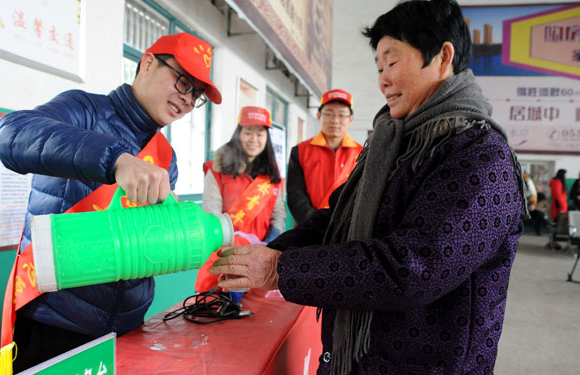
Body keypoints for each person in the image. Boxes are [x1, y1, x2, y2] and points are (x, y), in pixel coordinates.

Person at [210, 1, 526, 374]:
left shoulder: (480, 157)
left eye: (392, 63)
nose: (383, 80)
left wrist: (283, 268)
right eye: (378, 68)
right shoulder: (392, 146)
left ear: (443, 56)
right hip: (352, 360)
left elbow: (412, 268)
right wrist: (265, 255)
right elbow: (335, 221)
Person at [0, 32, 222, 372]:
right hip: (55, 324)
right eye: (183, 82)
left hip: (126, 329)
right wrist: (116, 160)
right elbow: (10, 134)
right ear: (147, 62)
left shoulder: (166, 157)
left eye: (197, 95)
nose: (188, 100)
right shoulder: (84, 110)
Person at [195, 106, 285, 297]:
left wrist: (270, 248)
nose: (254, 139)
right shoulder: (217, 170)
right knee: (216, 311)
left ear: (267, 138)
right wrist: (236, 248)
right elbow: (212, 216)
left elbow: (278, 214)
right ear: (239, 134)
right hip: (224, 254)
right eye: (248, 132)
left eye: (260, 134)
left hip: (260, 261)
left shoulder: (272, 174)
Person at [287, 89, 362, 225]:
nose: (335, 120)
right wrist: (315, 225)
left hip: (346, 230)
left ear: (350, 119)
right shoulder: (299, 151)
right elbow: (295, 195)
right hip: (307, 230)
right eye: (328, 114)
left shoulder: (362, 153)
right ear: (318, 116)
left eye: (342, 115)